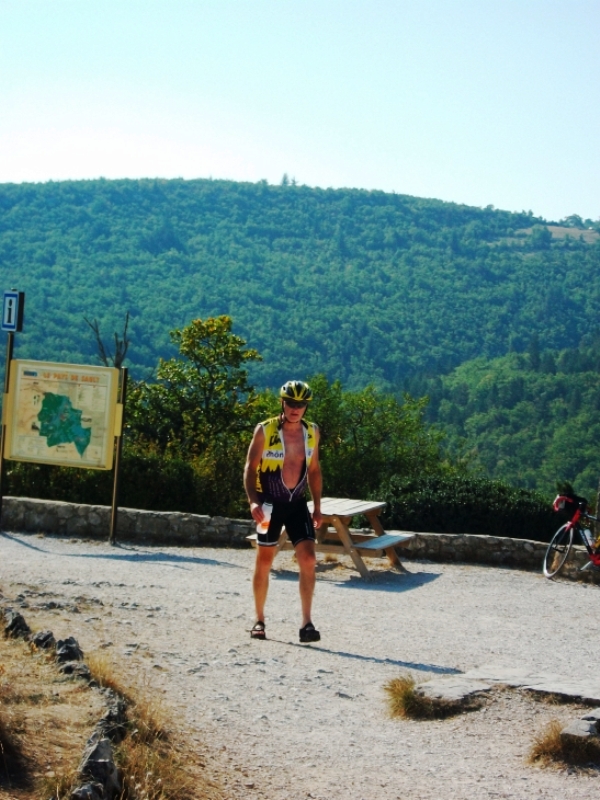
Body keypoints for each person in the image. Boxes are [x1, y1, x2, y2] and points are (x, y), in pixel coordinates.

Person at [244, 380, 322, 643]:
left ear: (306, 407)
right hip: (269, 504)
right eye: (291, 403)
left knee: (309, 559)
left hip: (297, 503)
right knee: (264, 561)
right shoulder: (264, 430)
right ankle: (259, 619)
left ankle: (307, 624)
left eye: (301, 405)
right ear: (282, 403)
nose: (295, 409)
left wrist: (318, 506)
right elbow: (250, 468)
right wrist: (253, 501)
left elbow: (314, 470)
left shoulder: (312, 432)